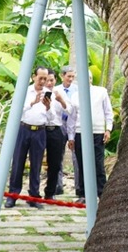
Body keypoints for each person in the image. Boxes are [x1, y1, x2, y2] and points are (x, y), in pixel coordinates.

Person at [4, 66, 61, 209]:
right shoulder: (25, 91)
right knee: (18, 163)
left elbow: (52, 117)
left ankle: (34, 196)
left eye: (45, 79)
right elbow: (17, 111)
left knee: (36, 165)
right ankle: (13, 196)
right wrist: (32, 103)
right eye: (40, 78)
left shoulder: (49, 94)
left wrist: (48, 107)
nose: (43, 81)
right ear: (33, 77)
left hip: (40, 131)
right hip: (24, 129)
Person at [66, 73, 113, 204]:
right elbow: (72, 118)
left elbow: (108, 112)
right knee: (81, 163)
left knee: (98, 164)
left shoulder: (101, 92)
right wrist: (71, 137)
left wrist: (108, 129)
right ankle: (83, 194)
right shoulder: (75, 96)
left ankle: (102, 193)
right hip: (80, 132)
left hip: (97, 132)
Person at [43, 68, 71, 199]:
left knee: (55, 163)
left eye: (51, 80)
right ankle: (33, 191)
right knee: (36, 161)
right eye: (47, 80)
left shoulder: (59, 92)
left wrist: (61, 100)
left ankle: (50, 192)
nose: (49, 83)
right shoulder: (38, 93)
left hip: (56, 129)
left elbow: (70, 110)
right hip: (41, 129)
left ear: (55, 80)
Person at [57, 66, 76, 194]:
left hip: (73, 123)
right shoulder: (56, 90)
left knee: (76, 156)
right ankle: (58, 186)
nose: (70, 79)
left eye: (72, 76)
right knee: (57, 155)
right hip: (59, 123)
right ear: (62, 76)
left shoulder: (77, 90)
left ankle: (79, 188)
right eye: (68, 76)